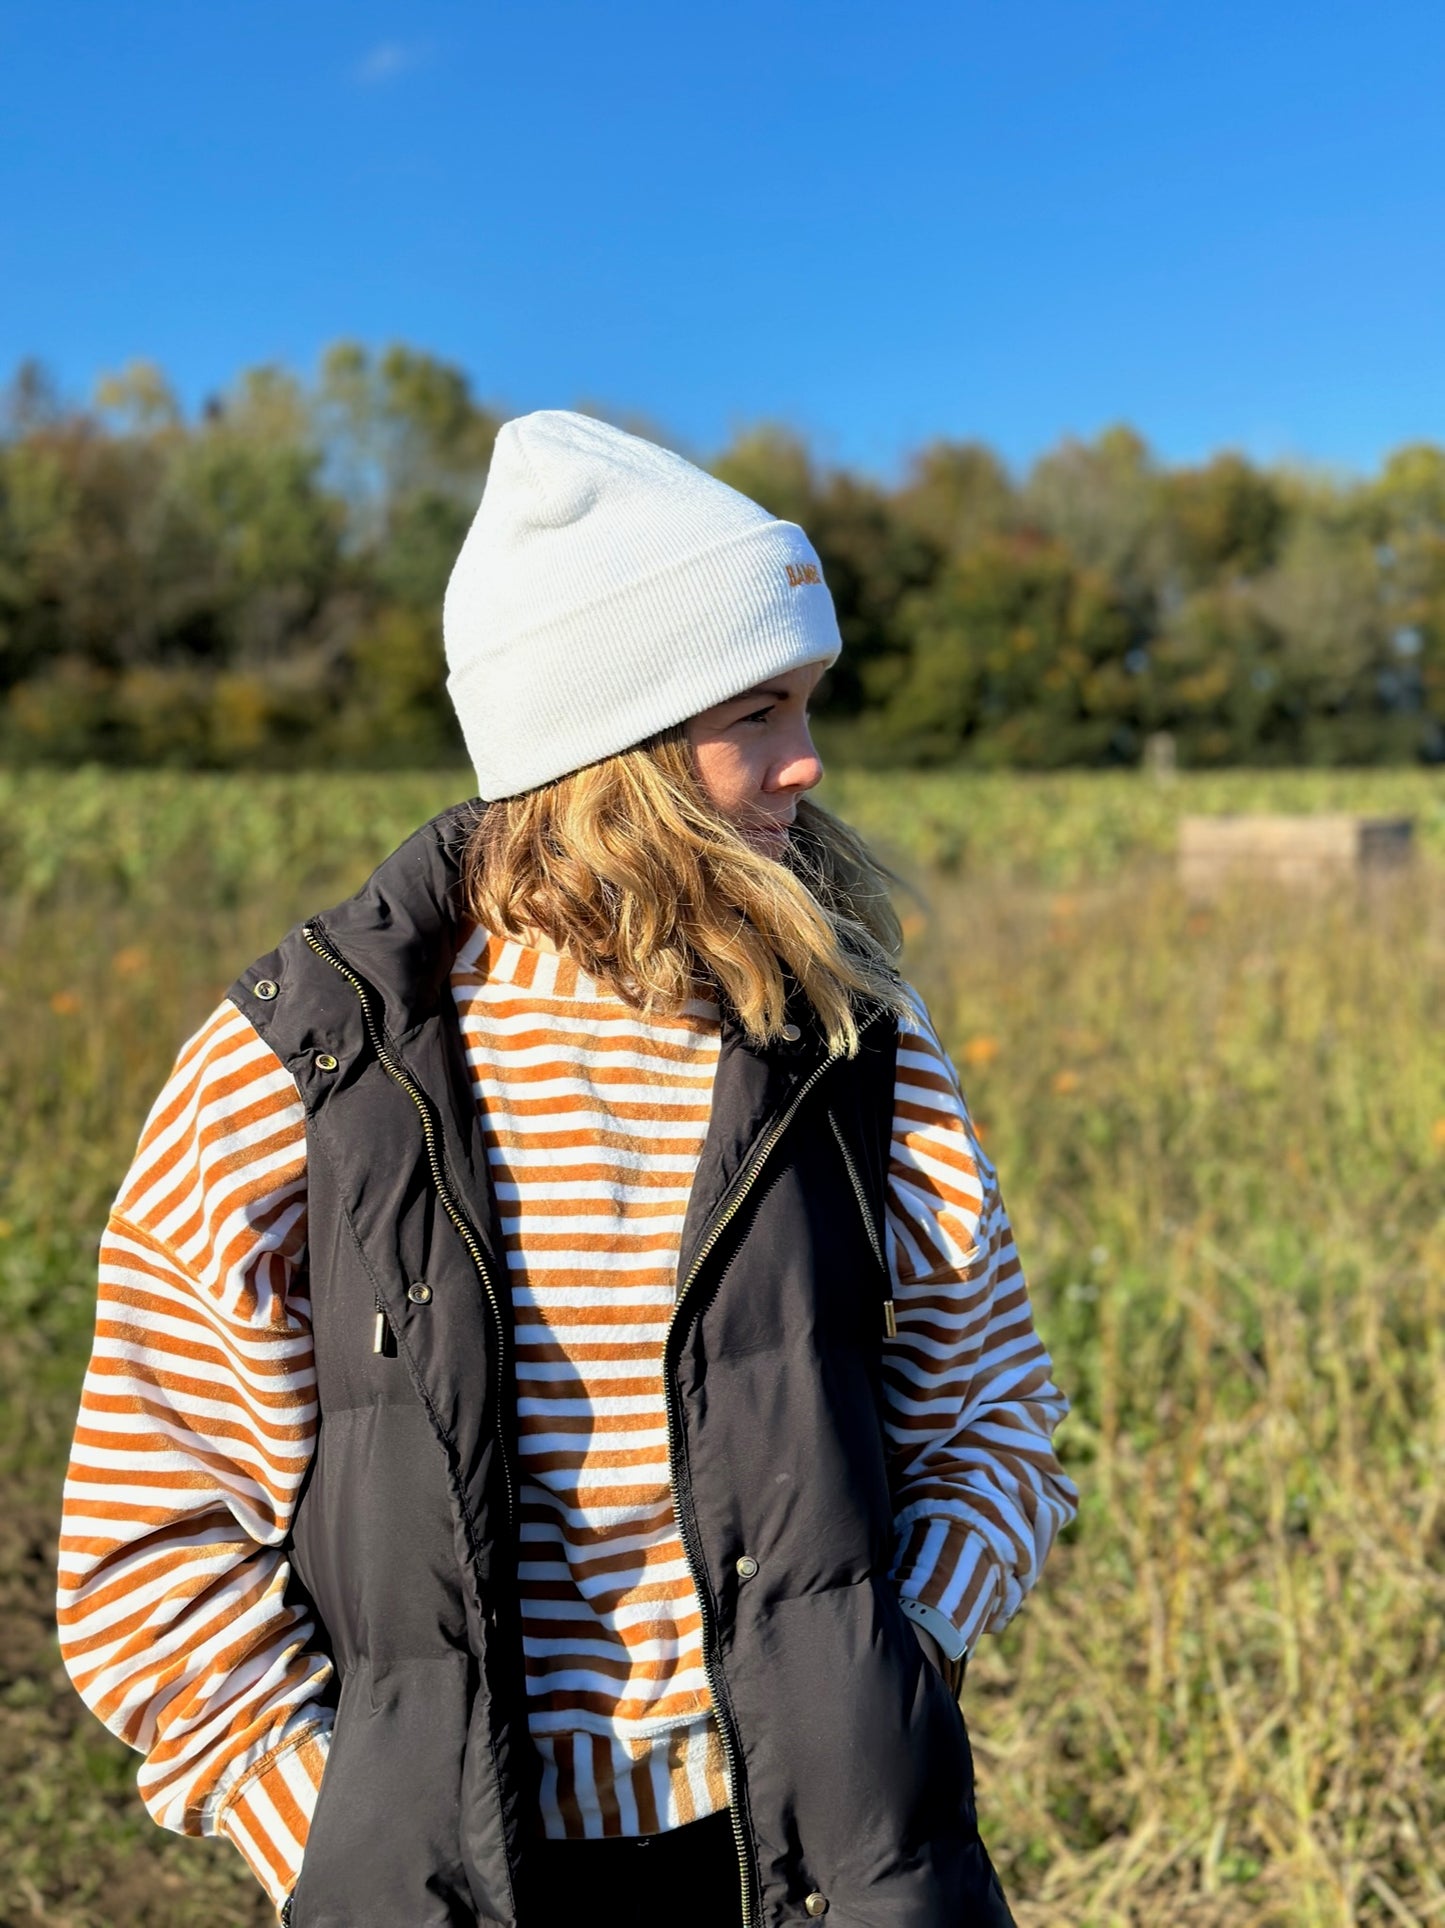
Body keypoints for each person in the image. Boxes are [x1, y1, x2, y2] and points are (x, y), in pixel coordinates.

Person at [57, 412, 1078, 1927]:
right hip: (450, 1874)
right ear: (613, 749)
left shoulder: (856, 1049)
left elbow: (991, 1416)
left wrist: (885, 1665)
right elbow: (146, 1544)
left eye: (808, 699)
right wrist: (344, 1839)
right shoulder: (301, 1075)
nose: (808, 757)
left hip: (831, 1853)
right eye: (757, 709)